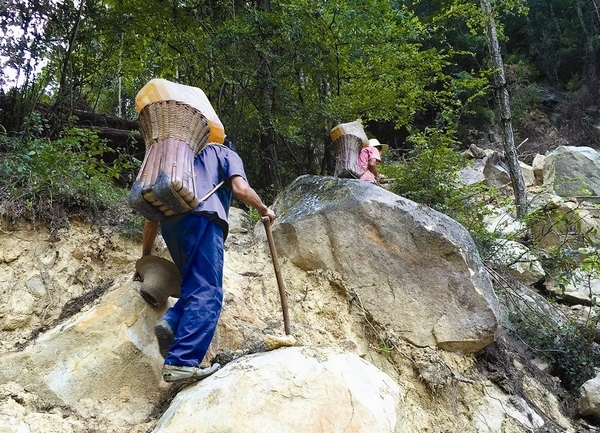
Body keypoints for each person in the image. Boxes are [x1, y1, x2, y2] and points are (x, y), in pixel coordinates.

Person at [135, 141, 276, 383]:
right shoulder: (223, 152)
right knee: (208, 291)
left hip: (172, 227)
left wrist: (144, 259)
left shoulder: (176, 156)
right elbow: (241, 189)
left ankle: (170, 323)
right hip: (204, 218)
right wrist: (264, 209)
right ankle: (182, 361)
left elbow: (151, 220)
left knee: (194, 285)